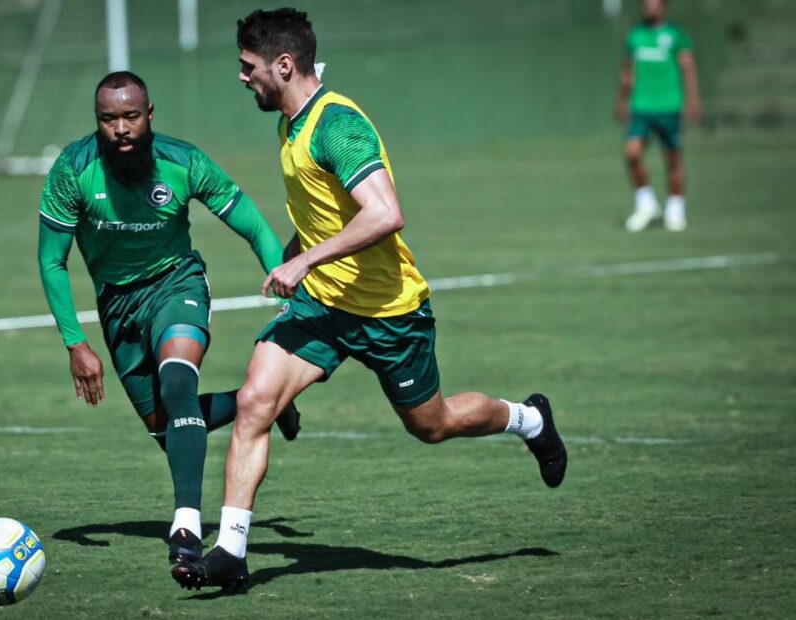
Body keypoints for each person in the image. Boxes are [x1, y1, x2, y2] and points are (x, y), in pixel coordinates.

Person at [171, 8, 568, 593]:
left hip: (390, 312)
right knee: (255, 401)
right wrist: (294, 254)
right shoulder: (290, 123)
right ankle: (230, 551)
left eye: (247, 66)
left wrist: (305, 260)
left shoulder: (337, 125)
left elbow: (385, 214)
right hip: (322, 310)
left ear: (284, 65)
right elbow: (321, 213)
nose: (242, 76)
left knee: (431, 425)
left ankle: (529, 419)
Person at [37, 71, 301, 567]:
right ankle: (265, 403)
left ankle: (186, 526)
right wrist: (76, 344)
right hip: (117, 306)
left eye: (131, 116)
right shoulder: (73, 169)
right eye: (108, 119)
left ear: (150, 114)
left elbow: (252, 225)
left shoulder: (184, 161)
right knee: (165, 426)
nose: (120, 129)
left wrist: (288, 288)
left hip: (176, 284)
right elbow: (52, 260)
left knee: (177, 383)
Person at [615, 0, 701, 232]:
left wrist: (692, 100)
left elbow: (688, 67)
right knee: (632, 152)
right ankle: (646, 204)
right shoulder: (635, 36)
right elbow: (628, 73)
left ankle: (675, 208)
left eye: (653, 4)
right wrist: (622, 101)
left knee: (672, 158)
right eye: (645, 5)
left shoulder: (676, 35)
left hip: (669, 105)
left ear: (664, 6)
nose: (649, 9)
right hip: (641, 105)